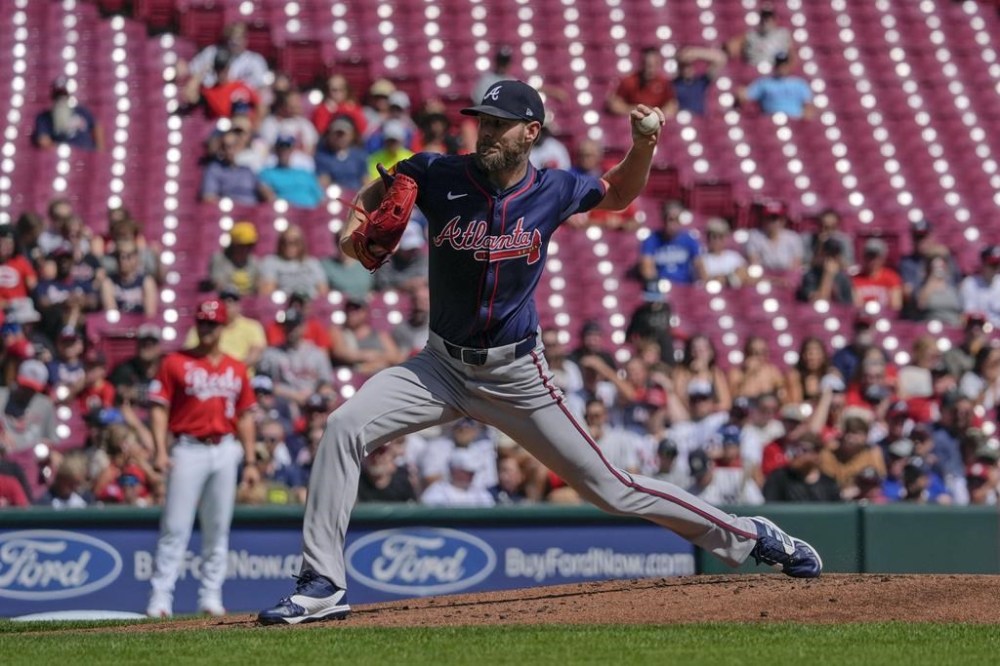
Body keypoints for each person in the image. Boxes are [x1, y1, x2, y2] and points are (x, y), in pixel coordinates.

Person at [258, 80, 821, 625]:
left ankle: (751, 535)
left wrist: (644, 145)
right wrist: (353, 230)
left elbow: (619, 194)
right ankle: (322, 585)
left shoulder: (553, 189)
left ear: (531, 132)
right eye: (483, 122)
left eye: (500, 125)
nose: (487, 133)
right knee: (343, 426)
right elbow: (375, 195)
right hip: (438, 367)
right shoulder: (438, 172)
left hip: (515, 375)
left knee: (613, 489)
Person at [145, 298, 257, 619]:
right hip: (188, 447)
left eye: (213, 323)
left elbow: (247, 416)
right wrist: (160, 451)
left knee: (218, 528)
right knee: (175, 527)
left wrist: (249, 461)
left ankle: (210, 597)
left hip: (224, 448)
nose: (207, 328)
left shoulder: (236, 368)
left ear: (223, 327)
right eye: (202, 322)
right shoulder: (175, 362)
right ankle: (160, 598)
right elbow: (158, 408)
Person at [638, 200, 702, 288]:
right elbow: (647, 267)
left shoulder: (689, 239)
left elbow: (700, 266)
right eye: (670, 219)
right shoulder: (652, 239)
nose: (672, 224)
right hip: (661, 288)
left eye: (676, 219)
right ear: (664, 219)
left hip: (685, 288)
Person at [32, 77, 103, 151]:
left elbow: (96, 128)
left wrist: (99, 151)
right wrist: (62, 151)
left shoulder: (82, 111)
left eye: (65, 94)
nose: (61, 98)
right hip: (61, 157)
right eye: (58, 95)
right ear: (53, 96)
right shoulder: (44, 117)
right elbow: (43, 140)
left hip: (86, 154)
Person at [258, 225, 328, 298]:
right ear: (280, 243)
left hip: (310, 304)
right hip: (284, 305)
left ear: (302, 243)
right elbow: (267, 294)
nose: (289, 245)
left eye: (295, 241)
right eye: (285, 241)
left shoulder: (313, 263)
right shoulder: (271, 262)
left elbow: (323, 292)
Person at [607, 47, 676, 119]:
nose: (649, 70)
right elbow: (615, 104)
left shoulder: (664, 82)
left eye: (653, 65)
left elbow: (671, 105)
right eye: (646, 65)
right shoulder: (629, 81)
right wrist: (636, 110)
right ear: (641, 64)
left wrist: (657, 115)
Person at [739, 52, 814, 119]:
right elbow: (746, 96)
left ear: (789, 65)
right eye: (779, 65)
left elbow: (808, 107)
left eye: (784, 65)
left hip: (794, 120)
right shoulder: (764, 82)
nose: (781, 68)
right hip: (769, 121)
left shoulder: (800, 84)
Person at [257, 137, 324, 208]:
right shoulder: (267, 173)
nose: (284, 151)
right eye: (281, 147)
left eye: (287, 147)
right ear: (276, 150)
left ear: (292, 150)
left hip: (313, 213)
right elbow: (268, 195)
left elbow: (320, 197)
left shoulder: (305, 174)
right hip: (287, 214)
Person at [200, 130, 261, 205]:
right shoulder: (215, 169)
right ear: (222, 150)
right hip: (231, 212)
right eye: (228, 147)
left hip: (253, 212)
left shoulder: (250, 169)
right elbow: (208, 197)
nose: (232, 151)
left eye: (235, 145)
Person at [100, 240, 158, 317]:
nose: (122, 260)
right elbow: (111, 313)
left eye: (127, 256)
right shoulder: (108, 282)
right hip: (118, 326)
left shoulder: (146, 281)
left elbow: (150, 315)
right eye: (118, 256)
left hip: (140, 324)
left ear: (136, 257)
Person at [745, 200, 803, 277]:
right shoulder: (754, 236)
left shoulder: (793, 238)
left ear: (783, 220)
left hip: (787, 278)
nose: (772, 222)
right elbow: (754, 265)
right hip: (763, 278)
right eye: (769, 218)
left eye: (775, 218)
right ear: (763, 219)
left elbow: (795, 266)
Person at [726, 4, 794, 68]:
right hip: (754, 71)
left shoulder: (783, 34)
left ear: (774, 19)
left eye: (769, 18)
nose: (766, 21)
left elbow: (792, 55)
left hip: (775, 71)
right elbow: (731, 47)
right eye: (764, 17)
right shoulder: (751, 35)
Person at [315, 117, 370, 192]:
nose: (339, 138)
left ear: (351, 136)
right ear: (329, 136)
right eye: (336, 134)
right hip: (335, 196)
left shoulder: (359, 156)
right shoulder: (322, 157)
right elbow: (323, 181)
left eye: (342, 135)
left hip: (356, 196)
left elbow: (365, 180)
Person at [207, 221, 260, 295]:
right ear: (234, 244)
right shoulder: (219, 260)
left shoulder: (254, 262)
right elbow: (219, 286)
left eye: (250, 246)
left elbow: (258, 288)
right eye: (242, 245)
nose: (246, 249)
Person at [852, 237, 903, 314]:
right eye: (869, 256)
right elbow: (857, 305)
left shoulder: (892, 277)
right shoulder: (856, 279)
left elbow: (896, 307)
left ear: (883, 258)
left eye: (876, 256)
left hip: (886, 318)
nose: (872, 261)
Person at [672, 46, 727, 117]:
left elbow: (720, 59)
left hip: (700, 120)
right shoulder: (673, 84)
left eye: (689, 66)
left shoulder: (700, 82)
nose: (686, 70)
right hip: (680, 119)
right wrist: (681, 56)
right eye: (683, 66)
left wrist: (696, 53)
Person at [796, 238, 854, 304]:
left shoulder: (843, 278)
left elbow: (852, 305)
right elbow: (819, 302)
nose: (830, 258)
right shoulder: (811, 276)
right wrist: (828, 275)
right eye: (828, 254)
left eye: (834, 255)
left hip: (839, 312)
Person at [697, 217, 750, 288]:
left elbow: (744, 276)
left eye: (720, 237)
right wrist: (732, 278)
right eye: (712, 236)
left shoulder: (735, 256)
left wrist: (723, 279)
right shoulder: (701, 258)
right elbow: (706, 280)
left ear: (725, 238)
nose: (716, 240)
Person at [960, 245, 1000, 326]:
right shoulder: (970, 284)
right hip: (979, 331)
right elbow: (968, 315)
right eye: (992, 264)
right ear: (983, 263)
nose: (996, 268)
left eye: (998, 264)